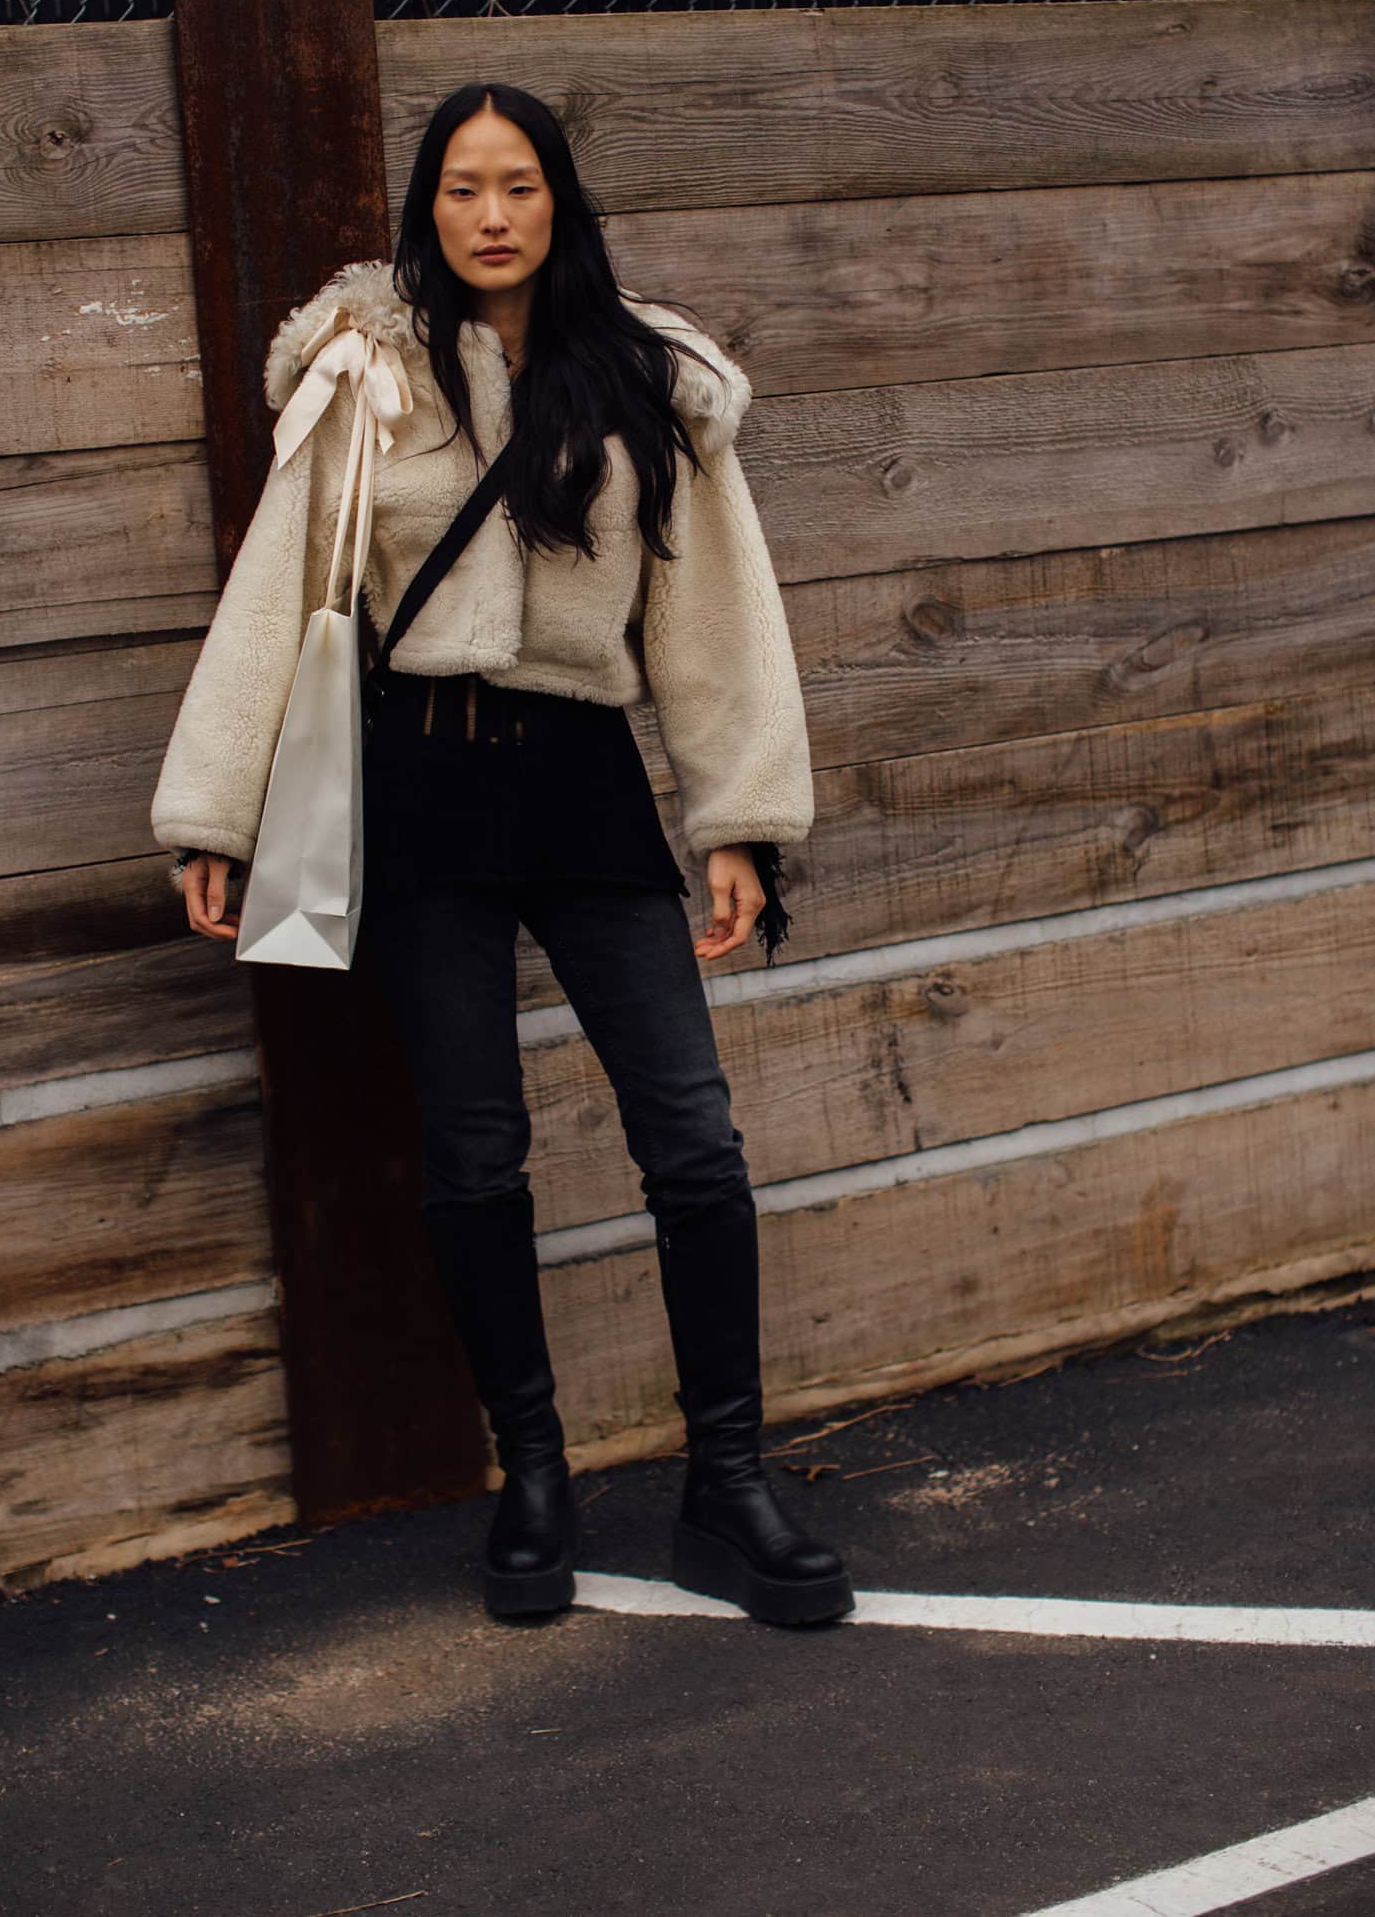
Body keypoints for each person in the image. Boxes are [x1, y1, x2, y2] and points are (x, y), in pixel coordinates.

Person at [150, 80, 854, 1629]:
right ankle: (533, 1480)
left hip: (584, 784)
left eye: (519, 185)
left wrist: (739, 819)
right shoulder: (370, 368)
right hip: (421, 791)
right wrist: (216, 812)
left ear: (558, 201)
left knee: (695, 1140)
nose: (491, 215)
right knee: (474, 1152)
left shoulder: (643, 376)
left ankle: (729, 1485)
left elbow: (714, 612)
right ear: (430, 206)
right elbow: (281, 589)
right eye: (463, 187)